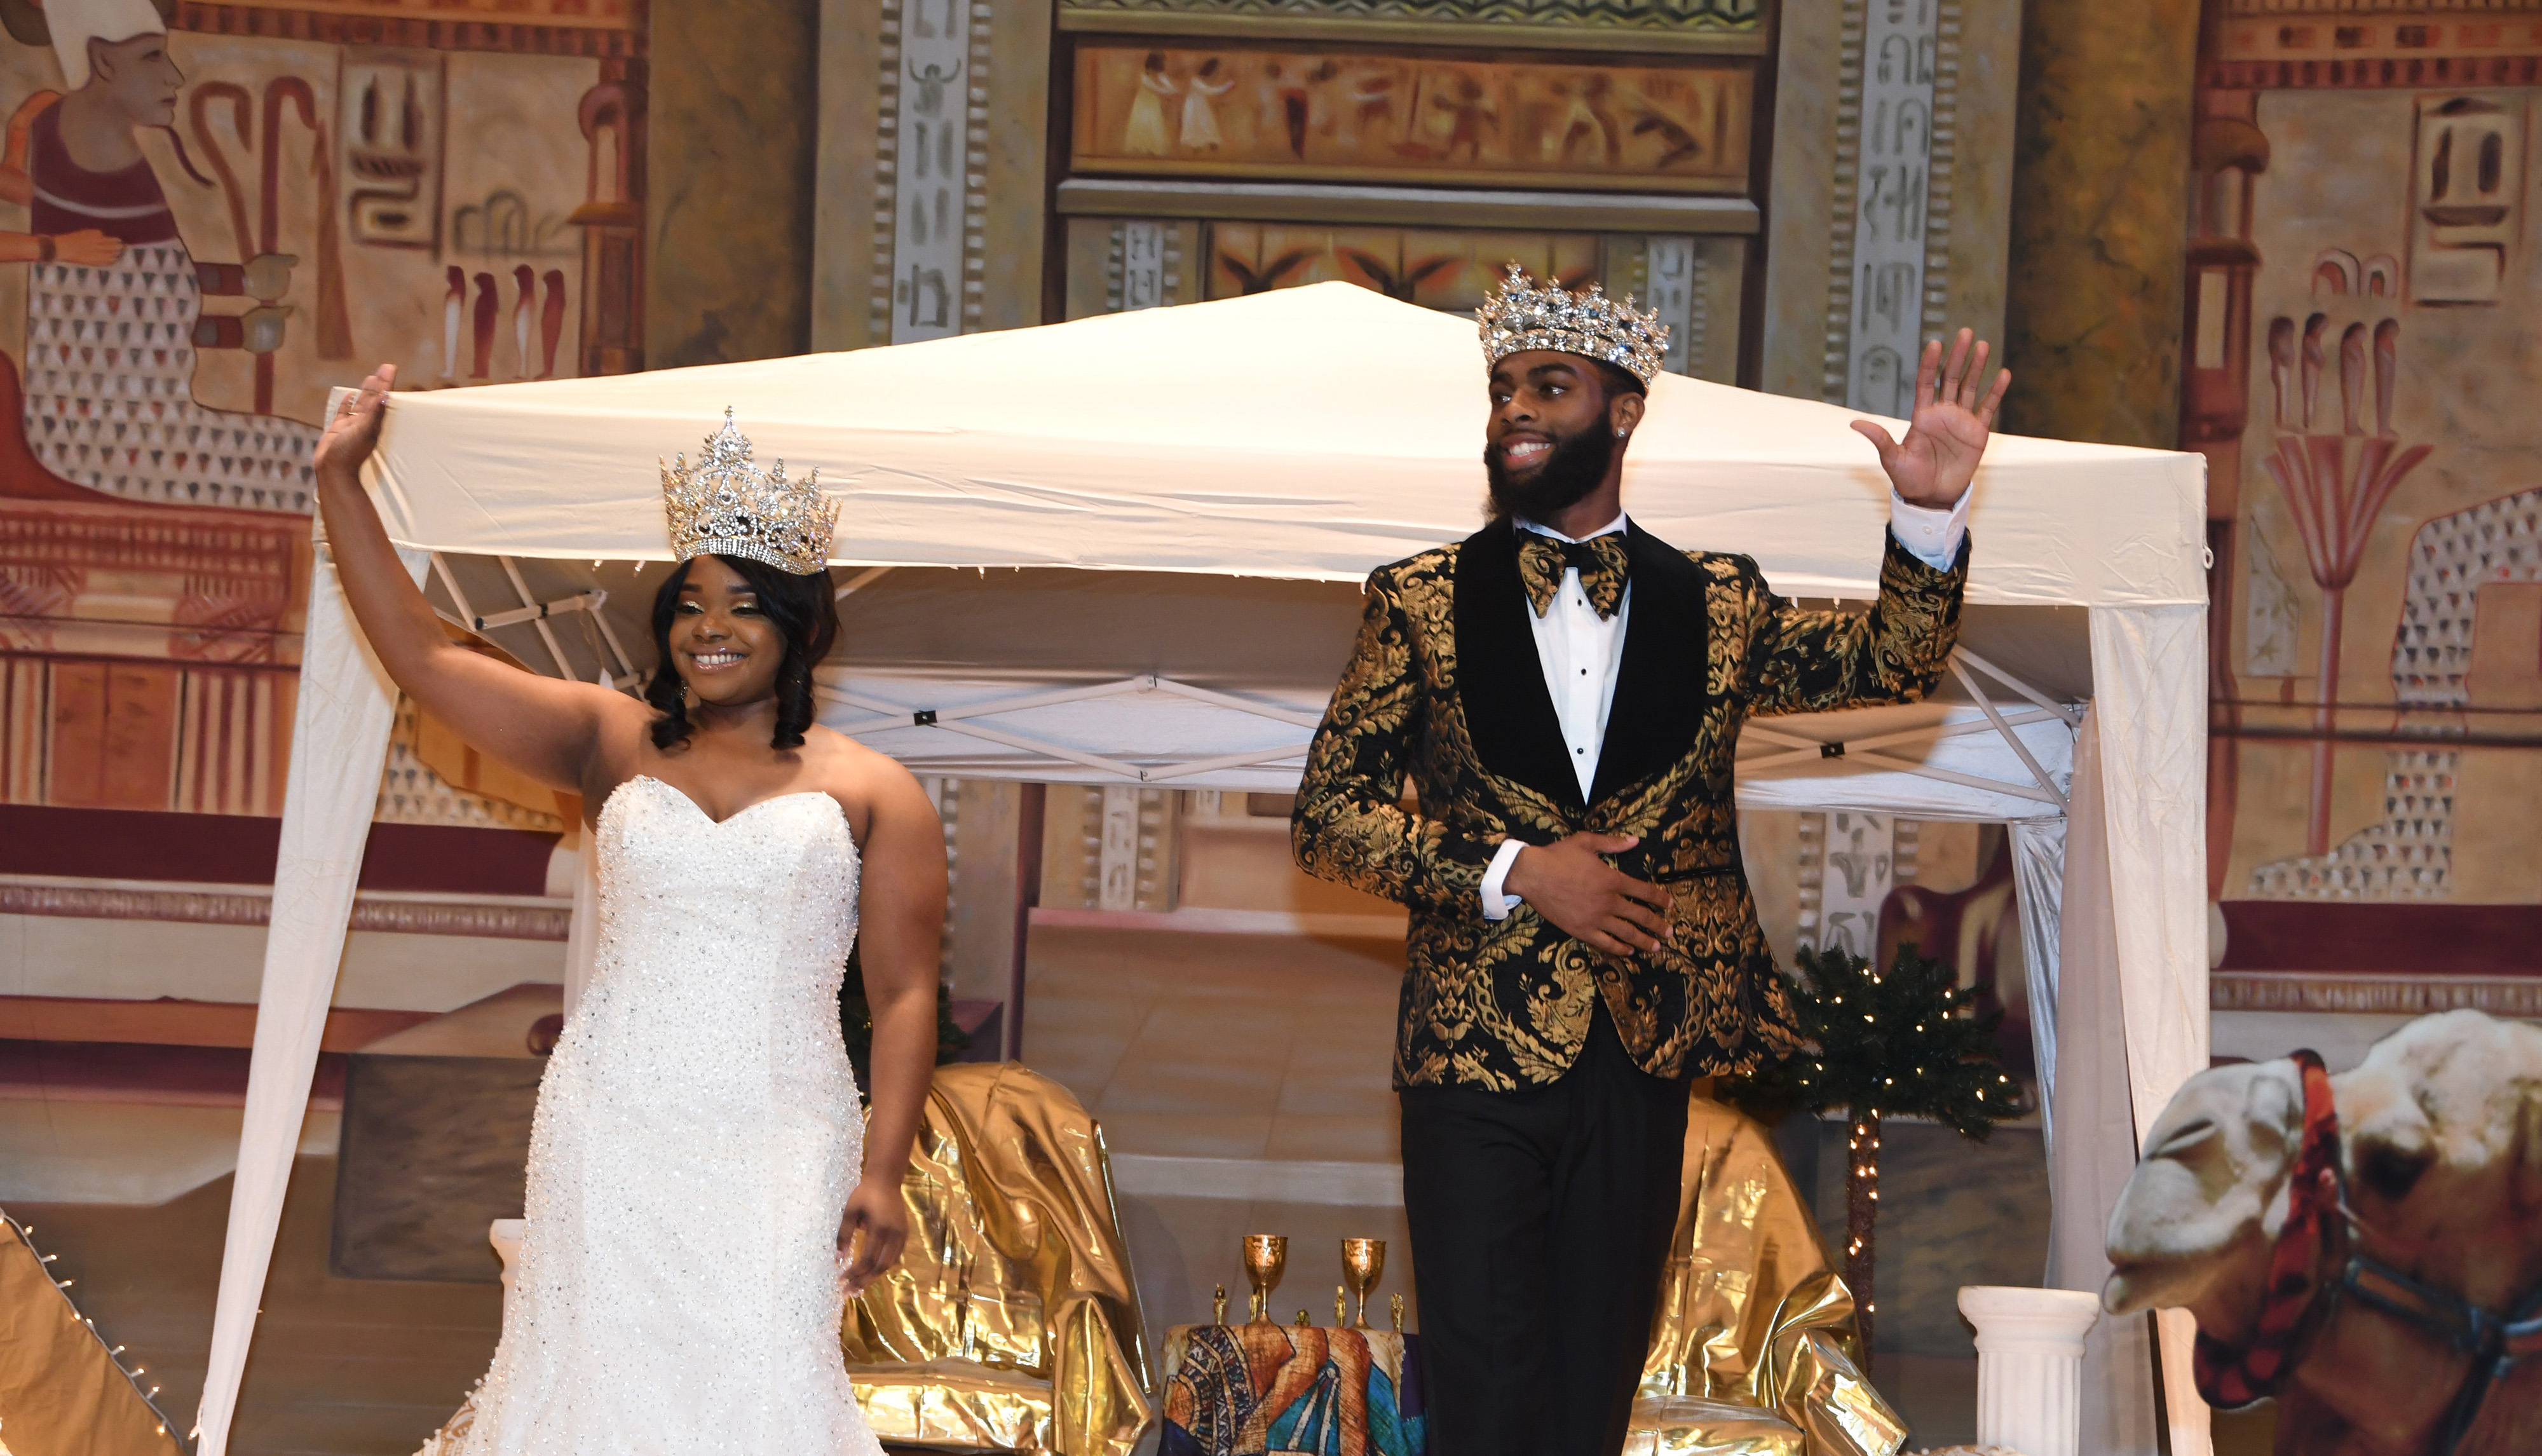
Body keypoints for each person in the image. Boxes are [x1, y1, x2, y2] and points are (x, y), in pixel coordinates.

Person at [1291, 266, 2008, 1456]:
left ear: (1623, 412)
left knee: (1591, 1395)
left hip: (1642, 1052)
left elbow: (1888, 666)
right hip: (1471, 1063)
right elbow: (1328, 815)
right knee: (1484, 1390)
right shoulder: (1418, 602)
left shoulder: (1715, 605)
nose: (1515, 409)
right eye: (1504, 387)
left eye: (1550, 387)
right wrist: (1520, 867)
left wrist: (1927, 517)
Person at [312, 368, 947, 1455]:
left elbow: (903, 996)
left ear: (800, 626)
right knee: (595, 1374)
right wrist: (339, 480)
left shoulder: (875, 789)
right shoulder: (610, 740)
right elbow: (420, 656)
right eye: (690, 603)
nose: (711, 627)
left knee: (763, 1372)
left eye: (744, 604)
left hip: (784, 1132)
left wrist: (882, 1171)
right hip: (613, 1119)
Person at [0, 0, 319, 511]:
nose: (174, 78)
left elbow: (144, 296)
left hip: (153, 429)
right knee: (331, 477)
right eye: (152, 58)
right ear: (104, 63)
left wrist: (241, 289)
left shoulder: (75, 145)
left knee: (334, 466)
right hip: (105, 444)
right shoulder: (68, 144)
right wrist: (53, 249)